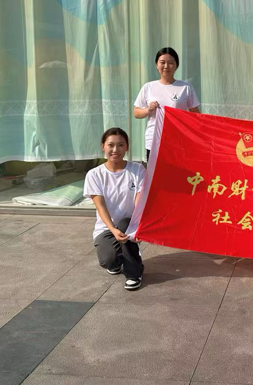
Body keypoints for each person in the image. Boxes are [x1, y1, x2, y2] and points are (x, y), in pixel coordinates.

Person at [84, 127, 146, 291]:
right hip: (106, 227)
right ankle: (117, 260)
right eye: (110, 145)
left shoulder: (137, 169)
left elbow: (139, 200)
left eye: (120, 145)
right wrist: (112, 229)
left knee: (125, 223)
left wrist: (139, 225)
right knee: (107, 261)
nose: (115, 150)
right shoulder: (94, 174)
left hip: (130, 224)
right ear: (103, 146)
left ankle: (134, 273)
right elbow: (100, 206)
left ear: (127, 147)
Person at [133, 47, 200, 161]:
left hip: (178, 141)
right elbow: (136, 112)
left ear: (176, 65)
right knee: (155, 172)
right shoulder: (148, 87)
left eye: (171, 63)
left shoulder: (185, 87)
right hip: (154, 141)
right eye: (162, 62)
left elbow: (196, 114)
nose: (166, 66)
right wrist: (147, 110)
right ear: (157, 65)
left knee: (177, 172)